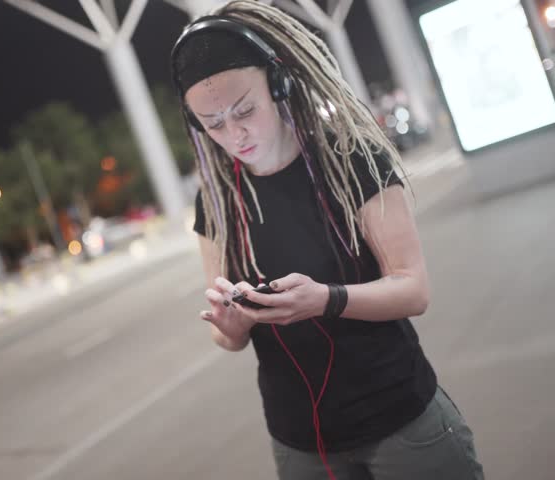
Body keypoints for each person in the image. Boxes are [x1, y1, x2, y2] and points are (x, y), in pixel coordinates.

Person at [170, 2, 484, 479]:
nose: (234, 134)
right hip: (300, 446)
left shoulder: (352, 160)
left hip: (403, 425)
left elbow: (413, 290)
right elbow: (226, 335)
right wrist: (229, 326)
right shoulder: (214, 202)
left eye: (245, 111)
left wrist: (326, 300)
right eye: (213, 124)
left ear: (280, 86)